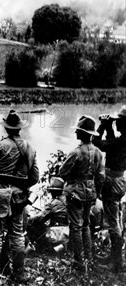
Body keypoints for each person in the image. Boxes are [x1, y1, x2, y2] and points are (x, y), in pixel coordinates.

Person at [0, 110, 39, 286]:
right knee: (17, 233)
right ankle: (19, 273)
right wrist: (19, 186)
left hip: (0, 196)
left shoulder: (0, 145)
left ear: (6, 128)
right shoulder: (30, 148)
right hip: (19, 197)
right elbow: (34, 178)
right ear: (19, 128)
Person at [59, 115, 104, 273]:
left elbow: (62, 172)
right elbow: (100, 176)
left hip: (76, 192)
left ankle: (78, 262)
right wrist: (97, 193)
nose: (76, 133)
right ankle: (89, 259)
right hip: (90, 192)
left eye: (78, 130)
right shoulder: (98, 152)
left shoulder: (76, 152)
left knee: (75, 226)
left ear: (82, 133)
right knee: (85, 225)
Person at [93, 105, 126, 273]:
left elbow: (97, 142)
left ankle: (117, 264)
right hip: (119, 180)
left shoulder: (122, 140)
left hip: (112, 181)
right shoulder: (122, 139)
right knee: (116, 218)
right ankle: (115, 258)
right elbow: (111, 146)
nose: (116, 124)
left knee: (113, 223)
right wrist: (109, 126)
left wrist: (103, 126)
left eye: (119, 122)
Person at [26, 177, 69, 253]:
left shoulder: (53, 203)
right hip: (67, 232)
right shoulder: (67, 200)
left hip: (57, 233)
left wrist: (28, 220)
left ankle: (36, 248)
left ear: (52, 192)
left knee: (33, 225)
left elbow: (40, 217)